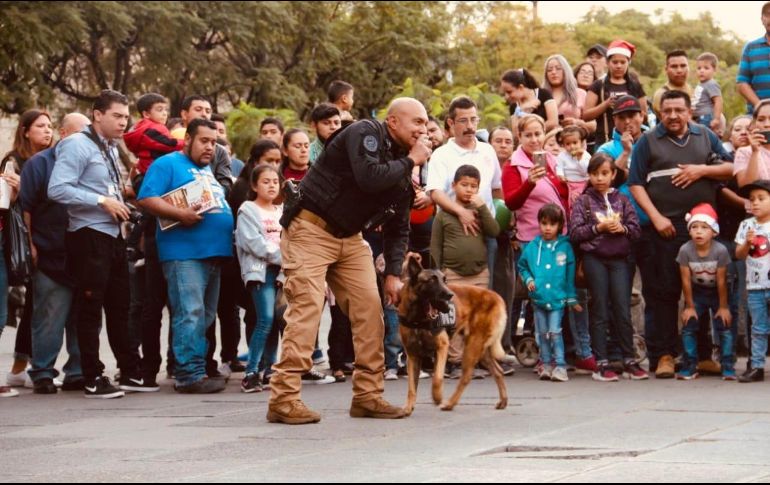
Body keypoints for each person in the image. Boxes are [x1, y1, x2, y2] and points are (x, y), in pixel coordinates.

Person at [266, 97, 432, 425]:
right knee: (308, 308)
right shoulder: (364, 131)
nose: (423, 130)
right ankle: (283, 399)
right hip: (310, 228)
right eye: (417, 122)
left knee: (370, 311)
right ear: (394, 122)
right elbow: (369, 176)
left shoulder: (402, 166)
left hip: (350, 238)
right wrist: (412, 161)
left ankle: (368, 395)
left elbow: (399, 227)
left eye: (426, 124)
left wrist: (393, 275)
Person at [628, 89, 734, 379]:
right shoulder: (647, 141)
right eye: (667, 111)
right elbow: (635, 184)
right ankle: (663, 355)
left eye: (679, 110)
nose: (673, 116)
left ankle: (701, 356)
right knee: (662, 293)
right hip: (664, 231)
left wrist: (701, 170)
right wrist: (656, 217)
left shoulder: (705, 136)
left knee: (702, 292)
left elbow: (729, 168)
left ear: (690, 112)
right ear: (660, 113)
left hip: (701, 233)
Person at [48, 90, 146, 398]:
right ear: (97, 115)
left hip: (114, 235)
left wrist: (122, 198)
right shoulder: (76, 144)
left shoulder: (111, 148)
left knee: (120, 305)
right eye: (116, 116)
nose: (122, 122)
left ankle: (129, 371)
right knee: (90, 307)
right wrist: (101, 200)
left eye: (126, 117)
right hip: (88, 234)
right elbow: (58, 189)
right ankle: (92, 376)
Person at [137, 118, 234, 394]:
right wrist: (180, 214)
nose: (210, 148)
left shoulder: (207, 170)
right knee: (189, 313)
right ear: (188, 139)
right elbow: (147, 198)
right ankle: (188, 375)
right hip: (184, 253)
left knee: (204, 315)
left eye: (214, 143)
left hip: (213, 253)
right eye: (204, 141)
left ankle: (197, 368)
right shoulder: (167, 164)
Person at [22, 112, 90, 395]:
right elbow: (26, 208)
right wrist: (31, 245)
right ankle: (42, 372)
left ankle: (77, 371)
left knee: (82, 317)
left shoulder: (91, 163)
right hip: (50, 252)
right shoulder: (39, 164)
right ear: (64, 134)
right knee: (49, 316)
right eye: (81, 134)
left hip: (84, 254)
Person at [570, 153, 646, 382]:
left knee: (622, 309)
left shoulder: (622, 200)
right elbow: (574, 233)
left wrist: (621, 228)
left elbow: (636, 230)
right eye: (595, 174)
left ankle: (628, 359)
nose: (600, 178)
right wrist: (598, 228)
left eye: (605, 173)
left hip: (619, 260)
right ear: (589, 175)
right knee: (600, 308)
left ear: (613, 174)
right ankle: (601, 362)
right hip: (595, 259)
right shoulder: (583, 201)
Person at [426, 96, 503, 289]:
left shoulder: (487, 150)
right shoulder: (441, 154)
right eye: (463, 121)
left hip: (486, 231)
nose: (470, 126)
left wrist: (502, 218)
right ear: (451, 123)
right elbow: (435, 192)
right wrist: (461, 213)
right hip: (453, 231)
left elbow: (496, 189)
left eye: (473, 119)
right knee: (453, 295)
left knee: (486, 294)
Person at [2, 109, 51, 391]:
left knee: (38, 302)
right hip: (22, 238)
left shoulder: (52, 159)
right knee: (31, 302)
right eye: (40, 126)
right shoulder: (14, 161)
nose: (47, 131)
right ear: (25, 131)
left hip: (47, 237)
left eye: (49, 126)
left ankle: (34, 365)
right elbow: (8, 202)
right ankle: (20, 367)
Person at [517, 203, 581, 382]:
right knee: (542, 333)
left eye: (552, 224)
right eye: (544, 223)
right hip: (538, 299)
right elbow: (522, 266)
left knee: (555, 332)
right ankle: (545, 364)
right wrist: (529, 280)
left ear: (560, 226)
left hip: (558, 298)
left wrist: (571, 297)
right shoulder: (533, 246)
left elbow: (570, 275)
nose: (547, 228)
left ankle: (560, 365)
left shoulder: (565, 247)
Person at [235, 165, 283, 393]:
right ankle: (250, 373)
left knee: (274, 321)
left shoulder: (282, 211)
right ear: (254, 185)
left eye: (275, 181)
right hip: (260, 271)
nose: (272, 185)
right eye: (266, 181)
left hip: (281, 272)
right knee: (264, 318)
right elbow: (252, 243)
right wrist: (282, 256)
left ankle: (269, 369)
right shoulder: (248, 210)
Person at [675, 203, 734, 380]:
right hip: (697, 291)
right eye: (694, 227)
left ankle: (728, 366)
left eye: (704, 228)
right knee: (688, 327)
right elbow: (685, 280)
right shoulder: (685, 250)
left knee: (724, 328)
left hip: (718, 291)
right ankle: (690, 365)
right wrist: (690, 306)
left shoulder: (720, 250)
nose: (699, 231)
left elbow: (722, 280)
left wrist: (723, 307)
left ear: (714, 232)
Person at [430, 165, 499, 286]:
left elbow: (494, 232)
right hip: (451, 275)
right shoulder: (443, 215)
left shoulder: (480, 211)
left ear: (478, 189)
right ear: (453, 185)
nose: (469, 190)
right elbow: (435, 247)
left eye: (473, 186)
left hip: (480, 275)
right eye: (464, 185)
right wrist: (438, 273)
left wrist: (482, 207)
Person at [735, 179, 770, 382]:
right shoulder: (746, 225)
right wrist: (747, 243)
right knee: (758, 328)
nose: (755, 203)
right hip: (755, 286)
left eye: (761, 199)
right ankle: (756, 366)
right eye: (752, 199)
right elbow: (739, 255)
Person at [583, 40, 647, 146]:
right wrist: (605, 105)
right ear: (608, 63)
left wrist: (629, 108)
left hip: (635, 142)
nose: (618, 66)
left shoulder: (635, 86)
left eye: (623, 62)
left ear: (628, 63)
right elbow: (586, 115)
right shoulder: (598, 85)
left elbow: (644, 115)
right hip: (605, 141)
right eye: (615, 62)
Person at [123, 92, 184, 183]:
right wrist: (187, 142)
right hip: (156, 174)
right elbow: (169, 144)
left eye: (165, 110)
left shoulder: (145, 128)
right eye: (160, 110)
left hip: (151, 171)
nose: (164, 113)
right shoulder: (150, 130)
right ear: (146, 114)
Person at [542, 54, 596, 135]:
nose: (553, 72)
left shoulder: (580, 94)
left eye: (558, 69)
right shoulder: (541, 95)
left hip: (575, 144)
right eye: (549, 70)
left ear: (565, 71)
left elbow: (593, 125)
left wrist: (577, 123)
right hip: (548, 144)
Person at [501, 69, 559, 135]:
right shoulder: (514, 106)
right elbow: (516, 133)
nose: (506, 97)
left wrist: (532, 132)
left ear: (520, 87)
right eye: (504, 93)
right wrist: (521, 110)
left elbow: (553, 122)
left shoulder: (543, 94)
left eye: (509, 92)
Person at [737, 2, 770, 113]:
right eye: (768, 14)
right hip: (757, 116)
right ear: (762, 19)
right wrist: (761, 108)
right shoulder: (751, 47)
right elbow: (742, 83)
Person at [735, 100, 770, 187]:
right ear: (754, 124)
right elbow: (746, 188)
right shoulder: (744, 152)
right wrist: (755, 152)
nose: (767, 124)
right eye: (761, 119)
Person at [556, 126, 590, 211]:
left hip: (584, 183)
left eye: (575, 143)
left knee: (579, 200)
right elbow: (559, 167)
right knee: (570, 201)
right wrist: (561, 175)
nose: (572, 146)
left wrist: (579, 159)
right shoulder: (562, 156)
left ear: (581, 142)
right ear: (563, 145)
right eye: (568, 144)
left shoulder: (586, 155)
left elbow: (585, 172)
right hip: (568, 183)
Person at [652, 50, 693, 119]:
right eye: (674, 66)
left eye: (683, 66)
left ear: (688, 67)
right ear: (666, 69)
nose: (679, 70)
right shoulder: (661, 94)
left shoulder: (690, 88)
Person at [693, 53, 724, 134]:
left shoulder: (711, 84)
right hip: (697, 117)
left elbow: (718, 101)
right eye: (699, 68)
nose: (701, 71)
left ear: (714, 70)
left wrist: (716, 118)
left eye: (706, 68)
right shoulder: (701, 84)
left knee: (703, 136)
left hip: (705, 117)